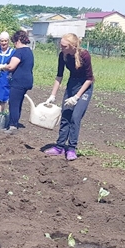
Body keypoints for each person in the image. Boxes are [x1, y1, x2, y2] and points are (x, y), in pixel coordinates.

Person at [43, 33, 95, 161]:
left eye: (64, 46)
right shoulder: (63, 55)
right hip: (72, 85)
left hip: (84, 87)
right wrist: (52, 95)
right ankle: (59, 147)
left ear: (72, 46)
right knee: (65, 115)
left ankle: (71, 148)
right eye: (60, 45)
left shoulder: (84, 55)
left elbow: (90, 78)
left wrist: (76, 97)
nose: (61, 48)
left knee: (75, 117)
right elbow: (59, 75)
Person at [0, 30, 34, 131]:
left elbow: (11, 66)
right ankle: (14, 123)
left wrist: (2, 67)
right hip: (27, 80)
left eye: (14, 42)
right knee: (19, 103)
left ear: (18, 40)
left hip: (19, 81)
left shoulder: (19, 51)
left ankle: (12, 126)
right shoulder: (29, 51)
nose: (14, 44)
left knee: (14, 103)